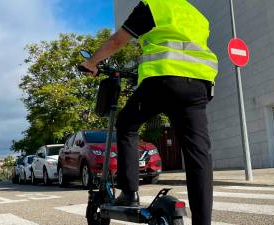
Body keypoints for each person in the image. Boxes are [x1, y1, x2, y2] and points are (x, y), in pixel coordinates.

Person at [80, 0, 218, 224]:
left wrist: (92, 62)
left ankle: (130, 192)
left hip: (163, 80)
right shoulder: (198, 16)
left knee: (126, 124)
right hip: (198, 85)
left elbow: (117, 41)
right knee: (198, 155)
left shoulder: (154, 5)